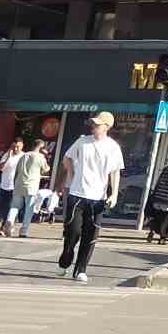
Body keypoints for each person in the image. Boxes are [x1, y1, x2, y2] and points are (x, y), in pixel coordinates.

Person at [56, 111, 124, 283]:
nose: (94, 127)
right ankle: (65, 260)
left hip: (98, 197)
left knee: (90, 234)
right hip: (77, 194)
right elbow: (67, 158)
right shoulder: (82, 141)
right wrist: (71, 174)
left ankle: (81, 269)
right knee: (73, 231)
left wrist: (114, 193)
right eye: (93, 124)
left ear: (107, 127)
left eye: (98, 124)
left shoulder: (113, 147)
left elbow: (115, 172)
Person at [4, 139, 49, 238]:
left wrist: (15, 183)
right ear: (41, 148)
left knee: (14, 206)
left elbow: (17, 171)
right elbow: (46, 169)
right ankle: (23, 231)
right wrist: (46, 156)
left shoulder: (23, 156)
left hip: (19, 184)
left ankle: (10, 221)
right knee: (29, 209)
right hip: (31, 186)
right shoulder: (40, 157)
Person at [0, 138, 24, 234]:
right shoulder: (7, 155)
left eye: (18, 147)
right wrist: (8, 157)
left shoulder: (24, 156)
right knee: (4, 207)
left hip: (16, 186)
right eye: (14, 146)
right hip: (5, 185)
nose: (15, 149)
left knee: (12, 207)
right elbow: (1, 168)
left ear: (22, 146)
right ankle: (8, 226)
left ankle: (4, 227)